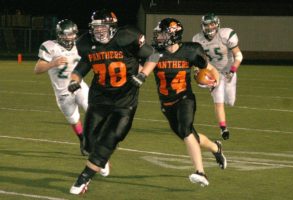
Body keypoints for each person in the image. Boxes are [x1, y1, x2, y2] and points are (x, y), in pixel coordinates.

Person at [68, 9, 159, 195]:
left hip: (125, 100)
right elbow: (84, 64)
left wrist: (143, 75)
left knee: (110, 138)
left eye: (102, 27)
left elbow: (154, 55)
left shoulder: (128, 37)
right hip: (100, 98)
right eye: (95, 28)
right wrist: (74, 80)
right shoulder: (86, 43)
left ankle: (84, 178)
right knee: (88, 144)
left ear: (112, 27)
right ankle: (101, 160)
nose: (98, 31)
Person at [152, 17, 227, 186]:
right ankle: (216, 148)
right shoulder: (155, 53)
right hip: (166, 103)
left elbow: (210, 69)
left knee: (186, 130)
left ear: (173, 34)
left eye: (162, 34)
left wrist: (214, 82)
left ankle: (201, 172)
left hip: (185, 97)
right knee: (190, 136)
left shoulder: (191, 51)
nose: (159, 37)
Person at [34, 19, 89, 156]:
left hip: (78, 85)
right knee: (73, 119)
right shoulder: (50, 46)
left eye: (71, 34)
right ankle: (83, 140)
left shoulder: (80, 44)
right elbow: (37, 69)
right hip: (63, 91)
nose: (68, 37)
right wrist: (52, 63)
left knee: (92, 109)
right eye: (65, 34)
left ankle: (100, 139)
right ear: (59, 34)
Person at [192, 13, 243, 140]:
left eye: (212, 24)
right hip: (212, 72)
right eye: (207, 24)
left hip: (228, 70)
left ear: (217, 24)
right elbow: (198, 60)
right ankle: (223, 128)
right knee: (218, 101)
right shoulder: (197, 39)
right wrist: (197, 70)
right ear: (202, 25)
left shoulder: (225, 34)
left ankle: (228, 101)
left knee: (230, 101)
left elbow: (239, 56)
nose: (209, 27)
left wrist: (232, 70)